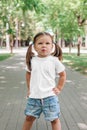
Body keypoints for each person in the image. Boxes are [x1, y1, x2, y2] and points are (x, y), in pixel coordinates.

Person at [22, 32, 66, 130]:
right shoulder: (32, 60)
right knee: (29, 118)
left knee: (54, 119)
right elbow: (28, 73)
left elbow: (62, 75)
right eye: (40, 43)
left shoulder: (54, 60)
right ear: (34, 46)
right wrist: (29, 88)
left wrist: (59, 87)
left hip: (50, 97)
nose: (44, 46)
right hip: (34, 97)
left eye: (47, 43)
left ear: (52, 46)